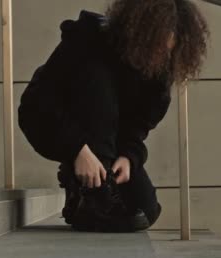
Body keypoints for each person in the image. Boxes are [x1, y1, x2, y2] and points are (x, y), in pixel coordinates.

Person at [18, 0, 209, 232]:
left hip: (109, 141)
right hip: (51, 123)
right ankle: (92, 195)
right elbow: (37, 104)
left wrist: (129, 157)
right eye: (160, 43)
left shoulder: (158, 69)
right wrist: (78, 149)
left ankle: (83, 190)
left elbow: (139, 126)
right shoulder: (88, 39)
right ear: (142, 32)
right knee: (99, 80)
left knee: (145, 211)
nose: (165, 52)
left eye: (171, 47)